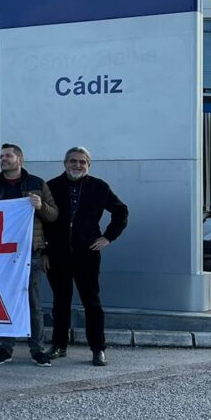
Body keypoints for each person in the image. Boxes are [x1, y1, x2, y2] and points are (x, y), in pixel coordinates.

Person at [44, 147, 129, 367]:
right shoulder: (51, 186)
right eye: (73, 161)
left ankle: (98, 349)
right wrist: (44, 251)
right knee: (60, 303)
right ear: (65, 163)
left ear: (88, 165)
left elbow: (121, 211)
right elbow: (41, 221)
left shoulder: (99, 187)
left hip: (87, 254)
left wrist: (108, 237)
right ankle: (58, 345)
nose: (77, 165)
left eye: (82, 162)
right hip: (57, 254)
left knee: (92, 303)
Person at [0, 143, 58, 366]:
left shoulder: (37, 184)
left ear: (20, 160)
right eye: (1, 156)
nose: (3, 159)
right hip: (3, 254)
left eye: (8, 156)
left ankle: (37, 349)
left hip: (30, 252)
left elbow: (53, 216)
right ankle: (5, 348)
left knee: (33, 302)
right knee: (6, 302)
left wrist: (41, 206)